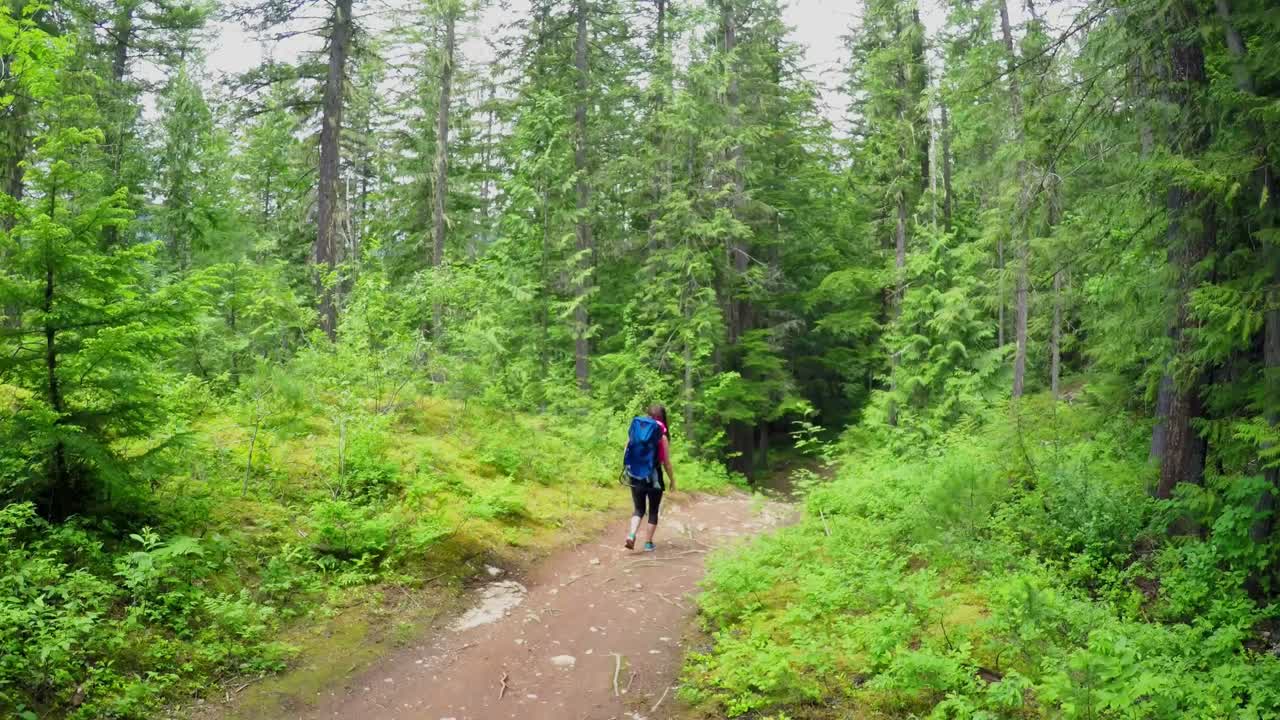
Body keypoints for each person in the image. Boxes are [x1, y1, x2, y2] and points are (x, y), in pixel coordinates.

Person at [625, 404, 676, 552]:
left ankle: (631, 535)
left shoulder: (636, 431)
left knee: (638, 509)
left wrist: (629, 469)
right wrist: (672, 480)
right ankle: (648, 543)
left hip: (635, 474)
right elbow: (666, 463)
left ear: (648, 415)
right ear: (662, 417)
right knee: (653, 511)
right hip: (654, 476)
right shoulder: (662, 436)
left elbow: (626, 450)